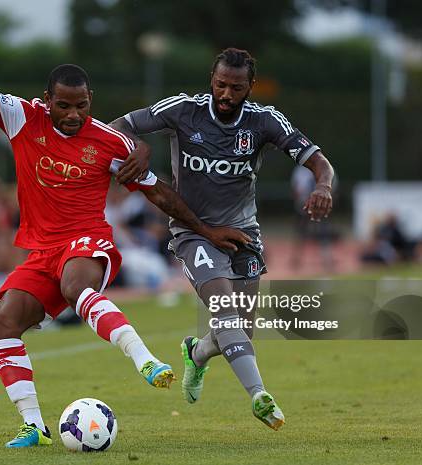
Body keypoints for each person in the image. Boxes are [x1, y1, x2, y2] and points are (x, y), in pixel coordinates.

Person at [0, 14, 248, 448]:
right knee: (3, 322)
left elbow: (159, 194)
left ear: (91, 101)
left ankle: (145, 359)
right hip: (40, 250)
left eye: (82, 106)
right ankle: (34, 425)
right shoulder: (21, 118)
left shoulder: (111, 143)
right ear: (46, 99)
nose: (73, 115)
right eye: (64, 105)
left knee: (76, 286)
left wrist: (205, 229)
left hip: (88, 240)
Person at [111, 47, 334, 430]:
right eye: (220, 85)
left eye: (236, 87)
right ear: (210, 81)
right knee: (224, 311)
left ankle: (196, 353)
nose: (226, 94)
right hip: (192, 231)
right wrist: (141, 146)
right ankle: (260, 396)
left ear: (250, 87)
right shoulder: (183, 109)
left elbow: (317, 160)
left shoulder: (264, 121)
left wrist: (324, 186)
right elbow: (117, 125)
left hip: (243, 234)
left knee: (239, 331)